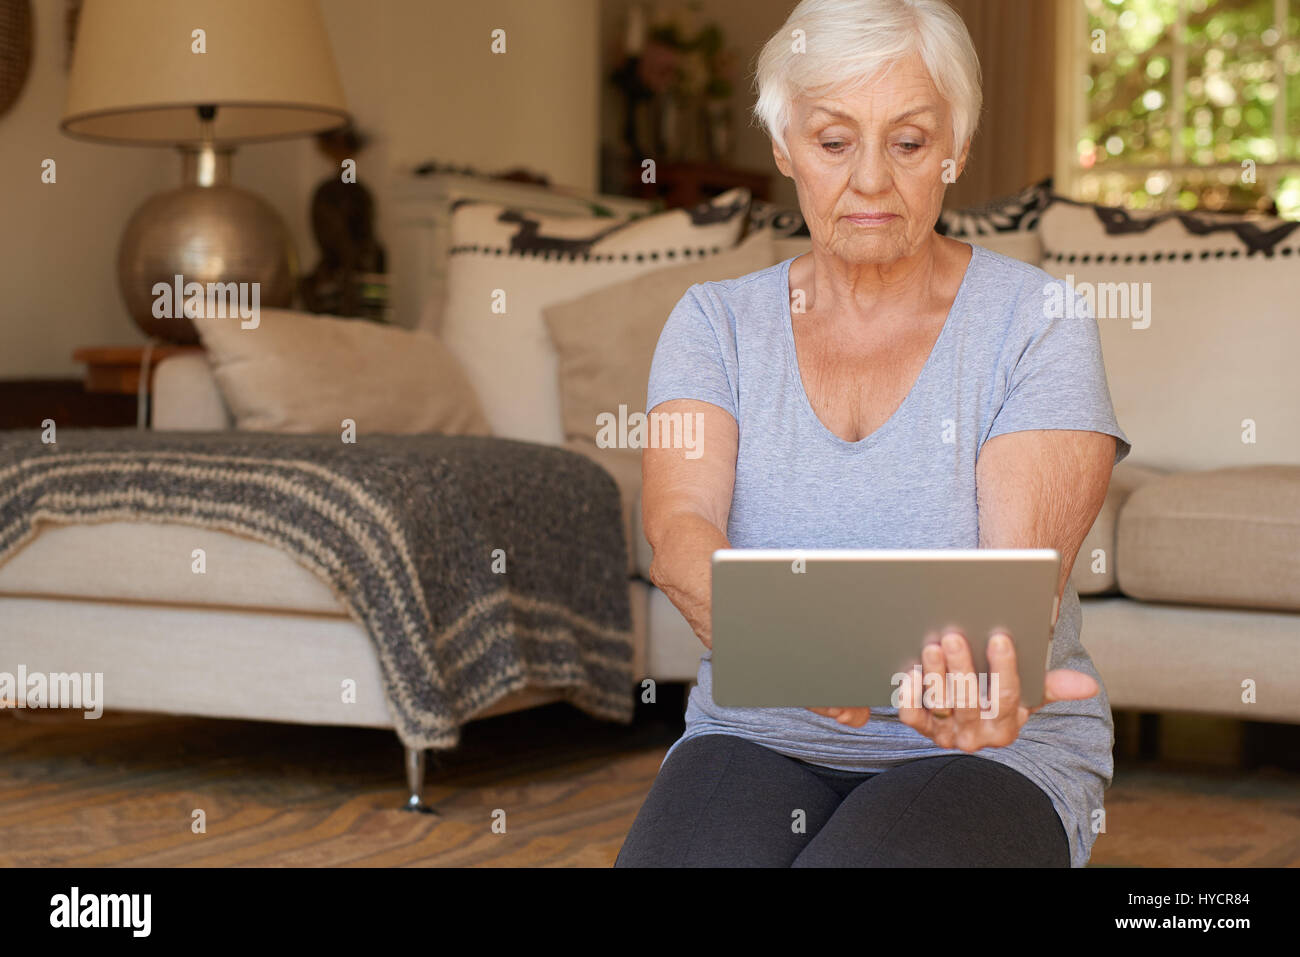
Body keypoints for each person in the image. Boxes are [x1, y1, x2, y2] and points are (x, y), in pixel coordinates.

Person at [616, 0, 1130, 868]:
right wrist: (806, 654)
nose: (869, 182)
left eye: (908, 141)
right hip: (757, 731)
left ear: (956, 148)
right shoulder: (715, 323)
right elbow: (678, 533)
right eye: (832, 140)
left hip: (986, 753)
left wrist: (987, 679)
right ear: (784, 149)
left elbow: (1017, 576)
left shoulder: (1038, 321)